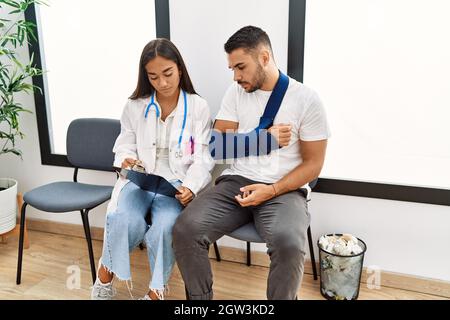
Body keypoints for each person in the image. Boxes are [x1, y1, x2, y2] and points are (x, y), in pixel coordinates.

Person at [173, 26, 331, 300]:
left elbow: (313, 165)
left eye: (241, 67)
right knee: (185, 229)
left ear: (265, 57)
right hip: (236, 182)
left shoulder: (306, 99)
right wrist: (261, 140)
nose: (236, 76)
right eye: (232, 68)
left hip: (283, 190)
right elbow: (216, 147)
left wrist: (270, 190)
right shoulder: (234, 94)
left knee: (289, 243)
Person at [91, 38, 214, 300]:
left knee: (165, 227)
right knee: (121, 219)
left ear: (179, 68)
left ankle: (156, 291)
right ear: (146, 77)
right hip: (141, 180)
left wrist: (190, 187)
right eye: (154, 77)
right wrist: (127, 159)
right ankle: (104, 275)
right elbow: (125, 144)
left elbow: (203, 157)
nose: (163, 83)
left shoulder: (198, 107)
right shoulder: (135, 105)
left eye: (168, 73)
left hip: (175, 186)